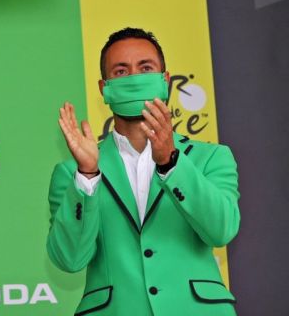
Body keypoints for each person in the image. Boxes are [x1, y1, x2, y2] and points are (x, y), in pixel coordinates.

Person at [48, 28, 239, 315]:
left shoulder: (211, 157)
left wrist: (171, 163)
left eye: (145, 68)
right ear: (104, 88)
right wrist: (87, 176)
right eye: (121, 71)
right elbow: (69, 259)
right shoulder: (71, 173)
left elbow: (221, 230)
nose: (134, 77)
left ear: (165, 80)